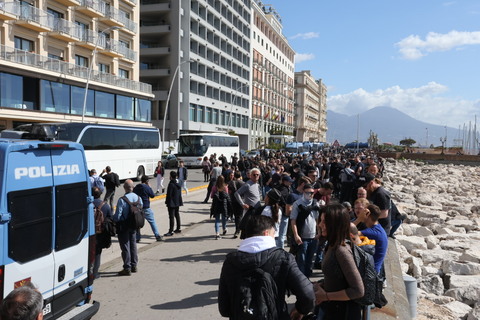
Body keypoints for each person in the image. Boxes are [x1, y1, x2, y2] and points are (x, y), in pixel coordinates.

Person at [218, 215, 315, 320]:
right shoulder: (283, 258)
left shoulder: (230, 262)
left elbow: (224, 308)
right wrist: (300, 310)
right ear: (266, 233)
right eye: (274, 234)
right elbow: (308, 295)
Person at [314, 204, 365, 320]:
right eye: (320, 220)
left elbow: (358, 290)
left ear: (335, 225)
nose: (320, 225)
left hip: (342, 313)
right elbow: (337, 277)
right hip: (332, 309)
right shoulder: (331, 245)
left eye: (324, 222)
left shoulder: (341, 251)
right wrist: (321, 284)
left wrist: (326, 296)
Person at [290, 183, 321, 278]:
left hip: (313, 237)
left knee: (309, 260)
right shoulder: (297, 204)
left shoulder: (315, 203)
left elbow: (317, 220)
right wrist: (296, 235)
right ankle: (300, 281)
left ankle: (307, 280)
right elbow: (293, 220)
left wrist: (319, 232)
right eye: (308, 193)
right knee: (301, 260)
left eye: (312, 193)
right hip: (302, 237)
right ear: (303, 192)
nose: (310, 195)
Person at [113, 179, 142, 276]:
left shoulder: (122, 200)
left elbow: (117, 216)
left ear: (124, 188)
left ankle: (127, 267)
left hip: (124, 226)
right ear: (133, 187)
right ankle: (134, 265)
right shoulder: (138, 198)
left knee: (125, 246)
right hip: (134, 225)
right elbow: (141, 208)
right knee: (133, 245)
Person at [352, 204, 388, 273]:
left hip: (371, 273)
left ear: (368, 214)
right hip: (374, 269)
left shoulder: (373, 232)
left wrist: (359, 219)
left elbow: (349, 232)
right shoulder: (378, 227)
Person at [133, 175, 163, 242]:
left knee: (138, 223)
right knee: (152, 222)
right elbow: (152, 195)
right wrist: (150, 187)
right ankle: (157, 235)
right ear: (147, 181)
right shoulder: (147, 187)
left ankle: (138, 237)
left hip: (138, 208)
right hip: (146, 207)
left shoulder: (136, 187)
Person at [92, 186, 112, 279]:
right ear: (100, 194)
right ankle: (95, 273)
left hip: (88, 234)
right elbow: (110, 219)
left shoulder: (88, 204)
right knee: (97, 254)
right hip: (100, 233)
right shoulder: (105, 206)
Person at [165, 171, 183, 236]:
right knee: (177, 215)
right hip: (177, 201)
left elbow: (169, 194)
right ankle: (178, 228)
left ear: (171, 177)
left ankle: (171, 231)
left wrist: (167, 202)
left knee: (171, 217)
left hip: (172, 203)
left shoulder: (171, 184)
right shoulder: (179, 182)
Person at [228, 170, 245, 238]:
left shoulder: (231, 183)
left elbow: (229, 192)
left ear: (234, 176)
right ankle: (239, 229)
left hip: (234, 200)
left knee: (236, 216)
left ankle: (237, 229)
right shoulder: (243, 183)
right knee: (240, 215)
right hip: (241, 200)